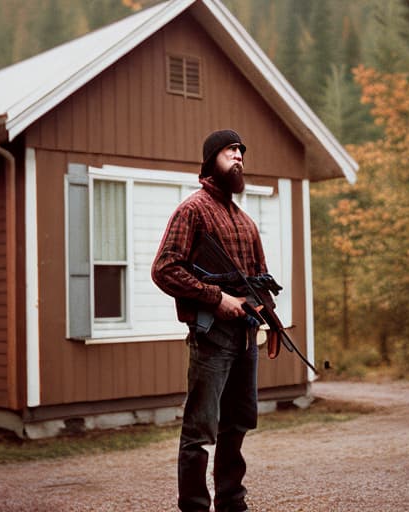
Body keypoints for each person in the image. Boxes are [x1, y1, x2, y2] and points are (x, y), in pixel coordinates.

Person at [151, 129, 269, 512]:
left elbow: (259, 277)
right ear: (210, 160)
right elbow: (165, 269)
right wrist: (217, 298)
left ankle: (232, 503)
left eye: (241, 152)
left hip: (246, 340)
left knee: (236, 427)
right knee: (199, 433)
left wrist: (262, 311)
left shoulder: (246, 223)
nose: (239, 156)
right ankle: (195, 507)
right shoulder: (193, 210)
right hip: (211, 338)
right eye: (230, 150)